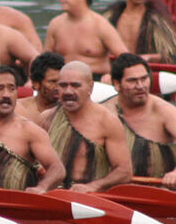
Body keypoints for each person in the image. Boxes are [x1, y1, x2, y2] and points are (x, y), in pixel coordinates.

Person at [102, 53, 176, 187]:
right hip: (116, 189)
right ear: (117, 84)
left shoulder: (163, 110)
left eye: (144, 79)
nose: (140, 86)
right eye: (132, 81)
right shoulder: (106, 111)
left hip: (159, 188)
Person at [38, 61, 133, 192]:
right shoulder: (46, 118)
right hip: (51, 195)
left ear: (90, 87)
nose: (68, 91)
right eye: (63, 85)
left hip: (88, 201)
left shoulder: (107, 122)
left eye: (76, 85)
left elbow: (124, 172)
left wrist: (93, 186)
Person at [0, 66, 66, 192]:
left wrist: (41, 188)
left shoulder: (30, 131)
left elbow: (57, 168)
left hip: (14, 206)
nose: (6, 94)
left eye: (11, 89)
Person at [44, 0, 128, 77]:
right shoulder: (55, 25)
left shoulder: (101, 25)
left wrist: (112, 76)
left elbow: (126, 59)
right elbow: (44, 61)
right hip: (63, 81)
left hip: (96, 80)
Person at [18, 52, 65, 119]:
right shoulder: (20, 109)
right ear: (36, 84)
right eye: (52, 82)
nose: (58, 87)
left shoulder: (70, 111)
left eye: (61, 81)